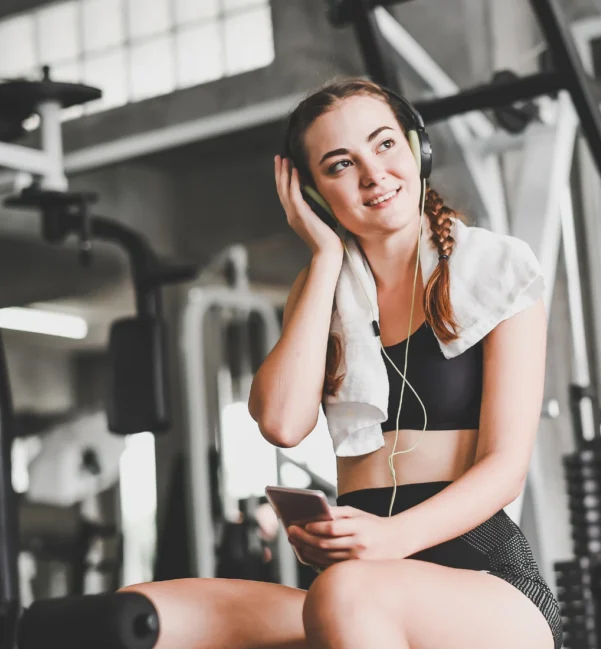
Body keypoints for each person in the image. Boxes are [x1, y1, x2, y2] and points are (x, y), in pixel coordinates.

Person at [119, 78, 561, 649]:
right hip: (358, 579)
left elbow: (506, 468)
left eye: (383, 146)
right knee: (142, 617)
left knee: (344, 595)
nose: (373, 174)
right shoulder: (324, 284)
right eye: (339, 165)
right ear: (312, 192)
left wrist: (388, 539)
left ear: (416, 149)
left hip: (483, 580)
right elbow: (281, 422)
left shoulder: (499, 267)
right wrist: (324, 255)